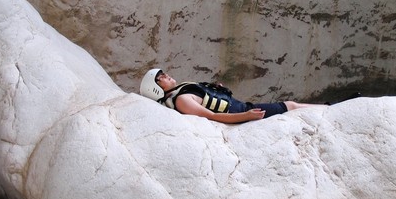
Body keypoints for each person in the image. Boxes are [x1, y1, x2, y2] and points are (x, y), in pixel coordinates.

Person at [139, 68, 325, 123]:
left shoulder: (183, 90)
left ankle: (329, 107)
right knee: (290, 106)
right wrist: (246, 116)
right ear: (156, 89)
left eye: (162, 73)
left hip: (242, 107)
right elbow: (212, 116)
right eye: (160, 78)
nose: (165, 75)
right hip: (242, 111)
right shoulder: (181, 100)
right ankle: (330, 108)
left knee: (291, 105)